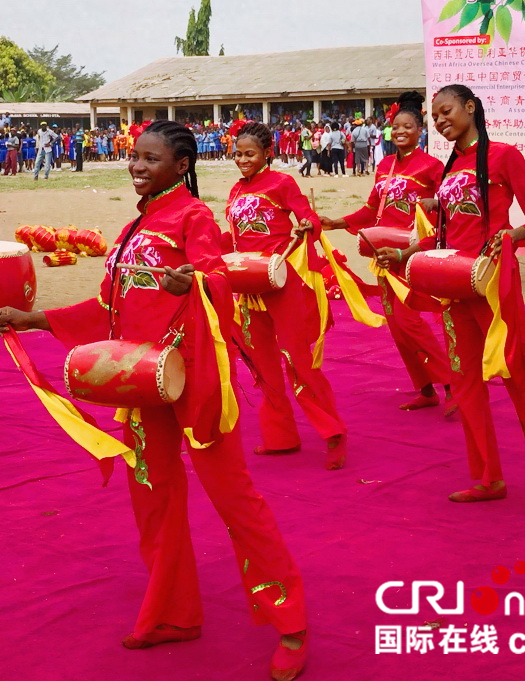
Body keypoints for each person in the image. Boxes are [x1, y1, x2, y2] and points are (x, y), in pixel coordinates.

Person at [0, 120, 308, 680]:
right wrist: (36, 319)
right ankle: (172, 612)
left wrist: (193, 282)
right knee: (152, 495)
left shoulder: (193, 217)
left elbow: (216, 271)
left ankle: (292, 623)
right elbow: (108, 308)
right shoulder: (132, 228)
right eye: (135, 157)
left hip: (194, 380)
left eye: (150, 158)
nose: (137, 166)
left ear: (181, 165)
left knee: (233, 498)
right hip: (144, 380)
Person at [377, 84, 525, 527]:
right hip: (456, 286)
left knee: (518, 378)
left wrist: (511, 236)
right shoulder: (451, 167)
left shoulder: (503, 156)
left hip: (492, 286)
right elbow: (442, 239)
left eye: (446, 111)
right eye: (435, 115)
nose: (439, 120)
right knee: (466, 382)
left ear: (471, 108)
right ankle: (488, 477)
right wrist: (402, 255)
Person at [320, 91, 453, 412]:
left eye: (408, 126)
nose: (401, 131)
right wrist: (334, 222)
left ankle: (452, 384)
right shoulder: (385, 166)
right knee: (396, 324)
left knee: (410, 322)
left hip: (410, 254)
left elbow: (444, 213)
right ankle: (425, 389)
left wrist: (415, 247)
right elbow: (370, 210)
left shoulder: (432, 167)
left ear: (420, 131)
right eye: (396, 127)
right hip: (383, 255)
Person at [226, 122, 347, 470]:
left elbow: (306, 215)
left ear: (267, 154)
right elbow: (236, 239)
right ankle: (280, 436)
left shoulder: (282, 183)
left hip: (281, 283)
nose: (243, 160)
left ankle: (333, 431)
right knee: (262, 365)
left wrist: (308, 223)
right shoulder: (235, 190)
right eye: (238, 154)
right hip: (249, 287)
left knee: (298, 360)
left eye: (250, 154)